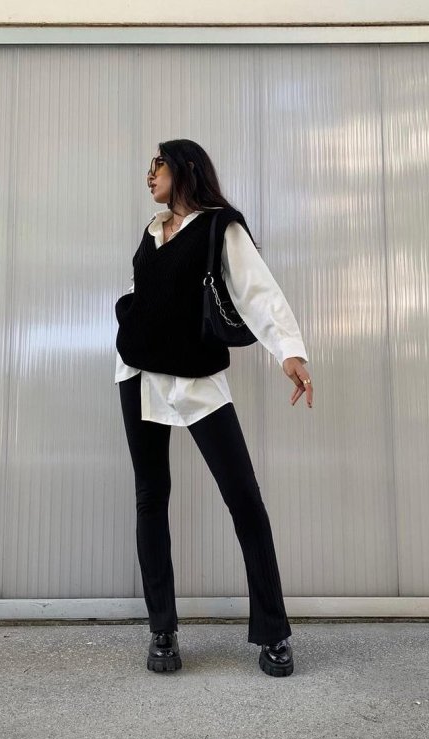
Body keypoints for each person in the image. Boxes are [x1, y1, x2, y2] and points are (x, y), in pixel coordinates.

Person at [114, 138, 313, 677]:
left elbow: (258, 291)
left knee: (243, 498)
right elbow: (139, 288)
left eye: (155, 164)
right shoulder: (152, 231)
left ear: (183, 168)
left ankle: (272, 633)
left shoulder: (220, 225)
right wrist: (127, 315)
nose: (148, 174)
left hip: (197, 378)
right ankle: (162, 631)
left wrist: (289, 351)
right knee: (151, 497)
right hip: (138, 376)